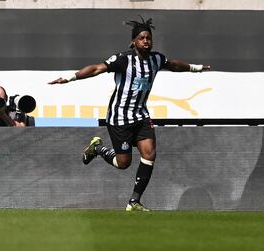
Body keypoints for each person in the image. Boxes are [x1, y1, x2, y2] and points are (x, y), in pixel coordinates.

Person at [48, 16, 211, 211]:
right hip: (119, 118)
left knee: (150, 154)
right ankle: (98, 148)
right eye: (142, 38)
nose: (146, 41)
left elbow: (174, 65)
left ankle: (134, 201)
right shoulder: (123, 59)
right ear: (133, 41)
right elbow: (96, 69)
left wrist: (196, 68)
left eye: (148, 38)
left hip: (141, 116)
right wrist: (70, 77)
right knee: (123, 163)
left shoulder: (156, 59)